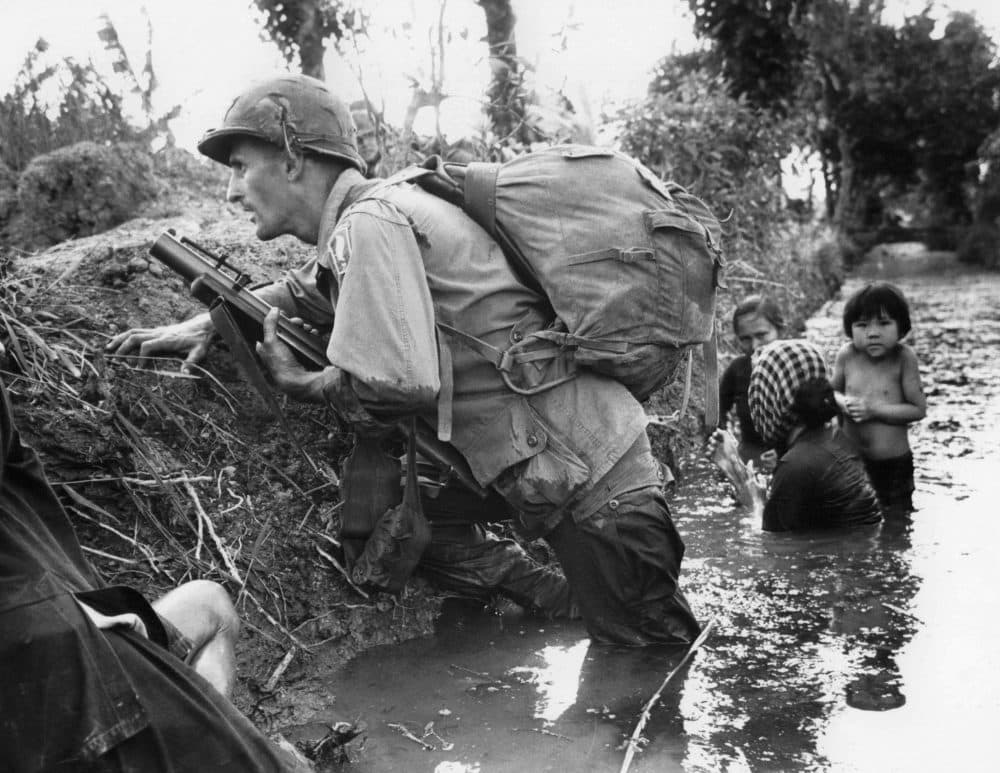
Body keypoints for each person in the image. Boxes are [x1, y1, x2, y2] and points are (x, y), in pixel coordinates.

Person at [108, 73, 700, 646]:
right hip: (569, 470)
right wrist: (202, 321)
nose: (231, 190)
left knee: (648, 687)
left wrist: (305, 382)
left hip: (598, 496)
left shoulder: (369, 224)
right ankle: (557, 596)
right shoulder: (377, 216)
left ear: (292, 160)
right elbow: (302, 291)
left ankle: (583, 605)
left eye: (239, 167)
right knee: (402, 514)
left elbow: (402, 384)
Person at [0, 369, 305, 772]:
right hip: (48, 655)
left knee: (209, 602)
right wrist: (65, 610)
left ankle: (206, 731)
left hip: (66, 623)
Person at [743, 339, 882, 532]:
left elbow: (771, 546)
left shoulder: (796, 465)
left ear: (771, 397)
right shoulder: (835, 436)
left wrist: (753, 502)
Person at [832, 282, 926, 513]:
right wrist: (844, 403)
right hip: (852, 461)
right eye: (862, 325)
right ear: (850, 328)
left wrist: (873, 410)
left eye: (884, 324)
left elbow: (917, 409)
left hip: (893, 464)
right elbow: (831, 393)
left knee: (897, 518)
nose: (873, 333)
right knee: (854, 518)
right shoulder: (847, 355)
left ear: (901, 327)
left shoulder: (904, 359)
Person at [718, 295, 785, 470]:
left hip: (792, 457)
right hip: (750, 454)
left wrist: (786, 453)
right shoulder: (737, 369)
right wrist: (724, 446)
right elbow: (718, 412)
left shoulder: (796, 367)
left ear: (780, 330)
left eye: (761, 335)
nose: (755, 345)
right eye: (745, 338)